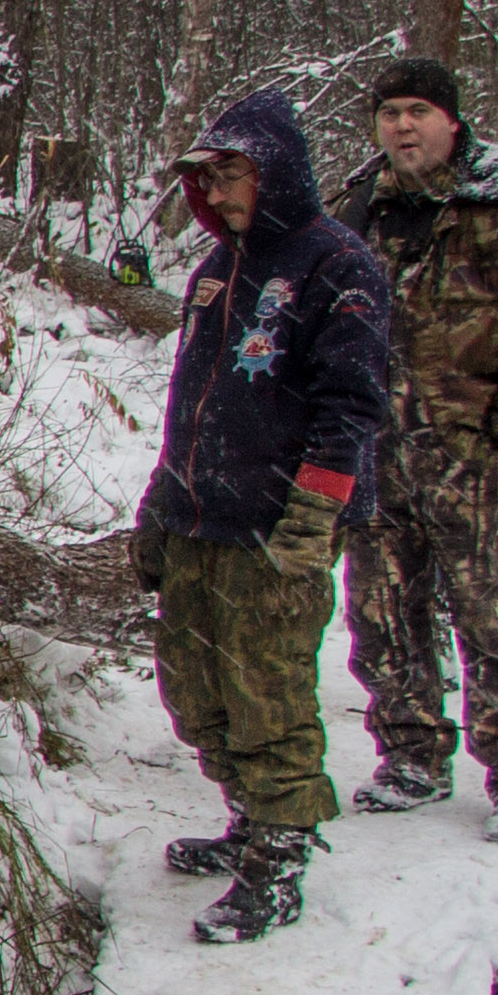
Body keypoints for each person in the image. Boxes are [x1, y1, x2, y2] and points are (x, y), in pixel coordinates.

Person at [134, 86, 397, 943]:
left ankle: (281, 856)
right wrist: (160, 502)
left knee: (267, 694)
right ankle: (248, 817)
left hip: (274, 525)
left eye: (232, 173)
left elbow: (351, 406)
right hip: (197, 517)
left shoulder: (337, 265)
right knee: (194, 688)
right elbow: (190, 401)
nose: (217, 191)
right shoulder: (217, 269)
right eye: (205, 178)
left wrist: (315, 512)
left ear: (274, 171)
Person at [332, 57, 498, 846]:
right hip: (374, 452)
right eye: (389, 114)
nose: (402, 126)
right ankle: (411, 755)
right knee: (381, 614)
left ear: (451, 120)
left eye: (417, 111)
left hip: (467, 454)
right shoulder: (358, 208)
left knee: (497, 618)